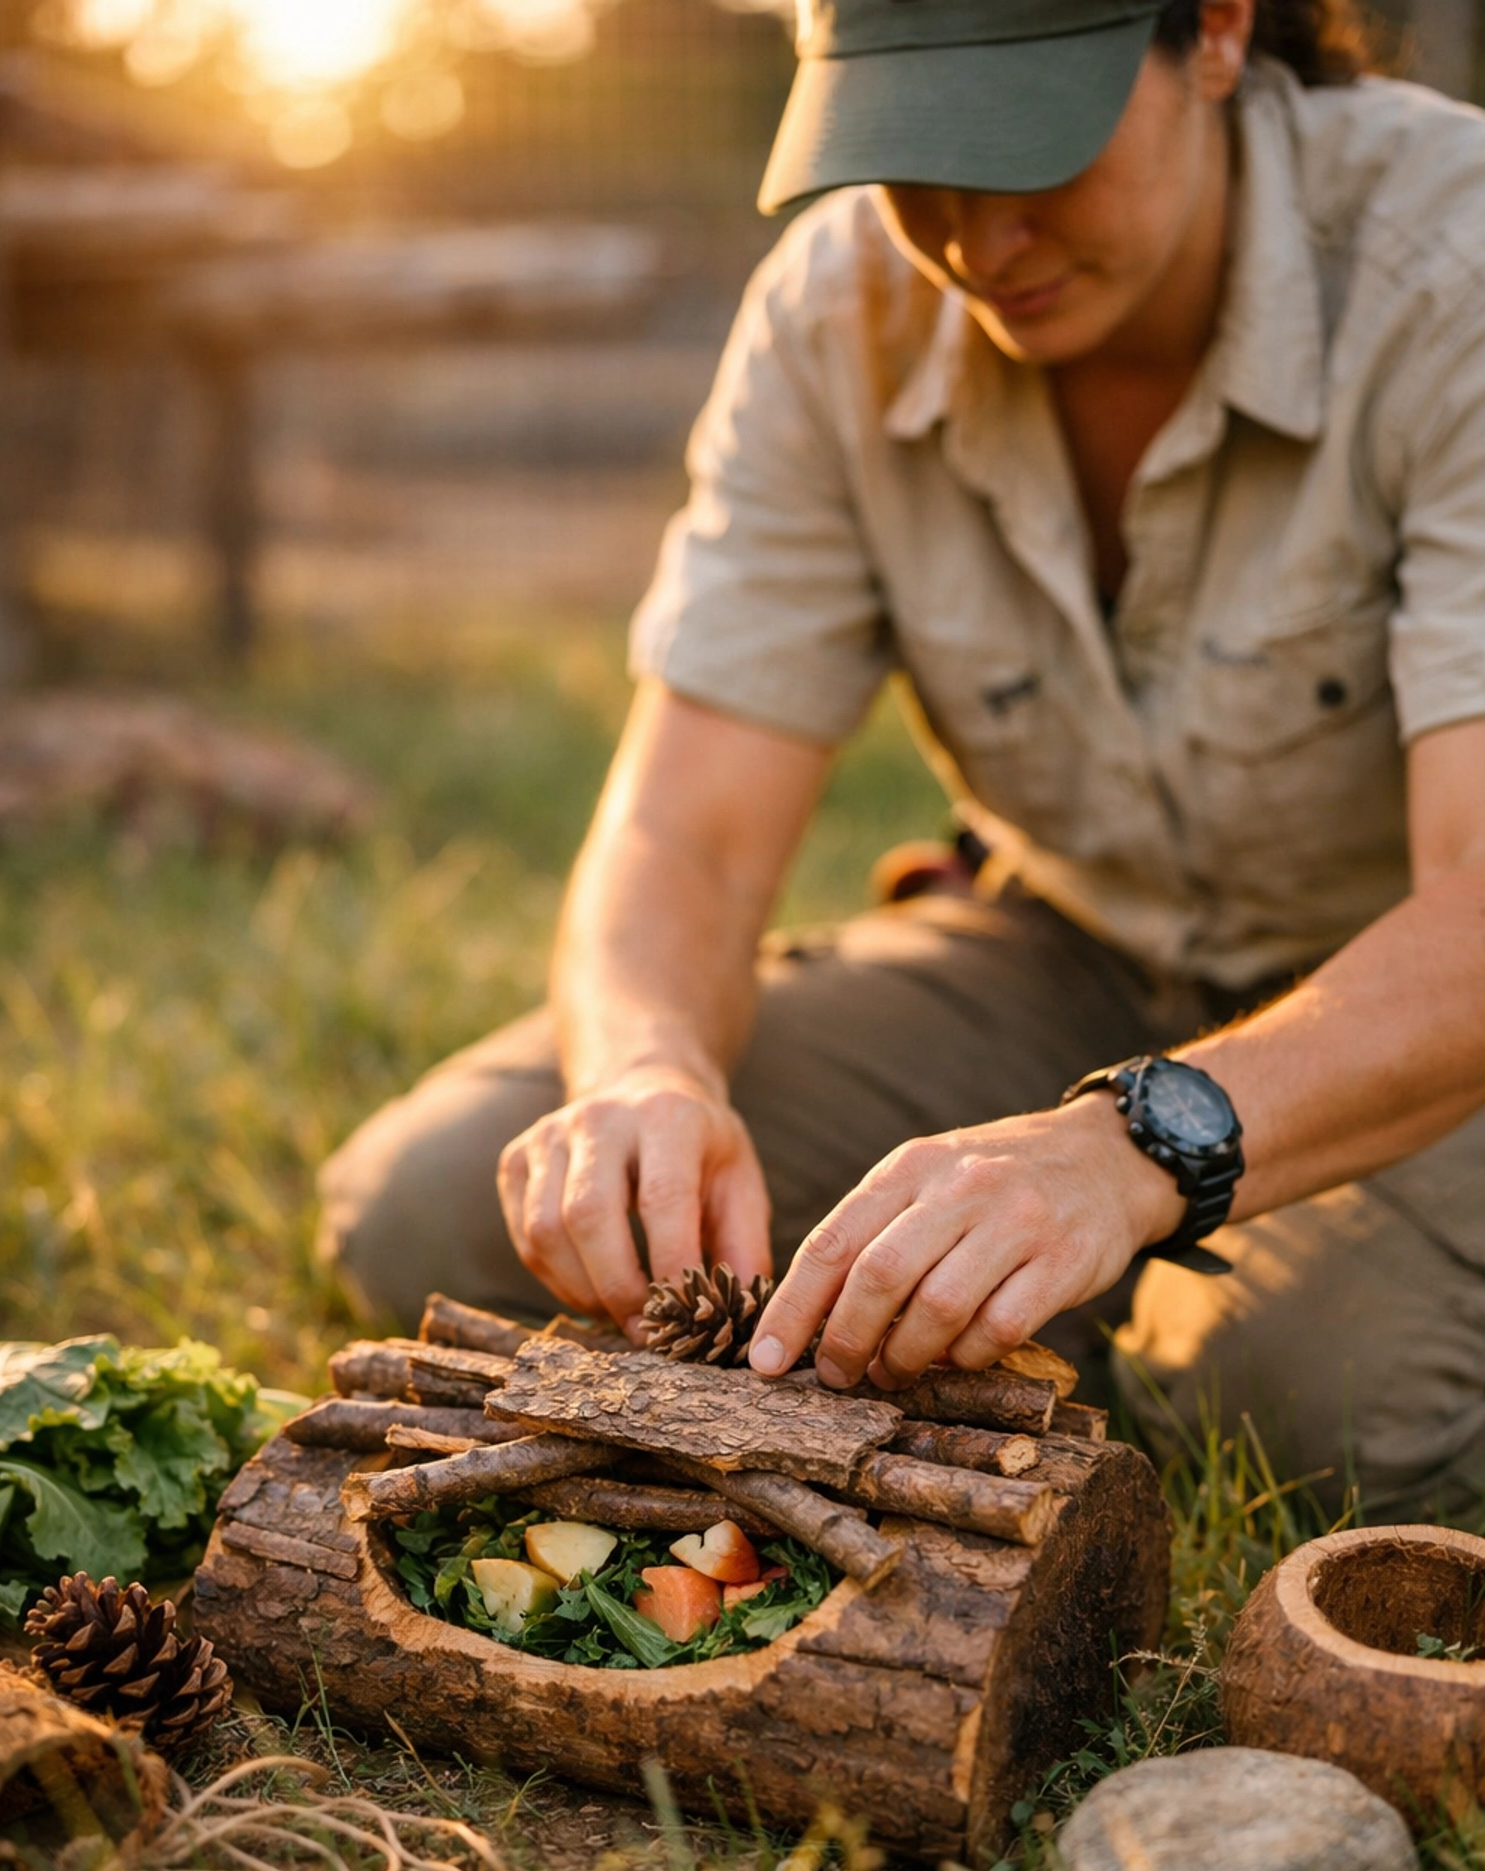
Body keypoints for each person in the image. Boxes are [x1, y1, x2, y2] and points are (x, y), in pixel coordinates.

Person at [319, 0, 1485, 1521]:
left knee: (1320, 1417)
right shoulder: (834, 310)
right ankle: (1082, 1306)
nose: (977, 237)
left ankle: (1155, 1308)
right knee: (449, 1205)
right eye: (914, 163)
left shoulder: (1450, 266)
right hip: (1074, 949)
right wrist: (646, 1070)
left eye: (1030, 152)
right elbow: (688, 838)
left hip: (1417, 1010)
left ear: (1212, 33)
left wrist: (1130, 1151)